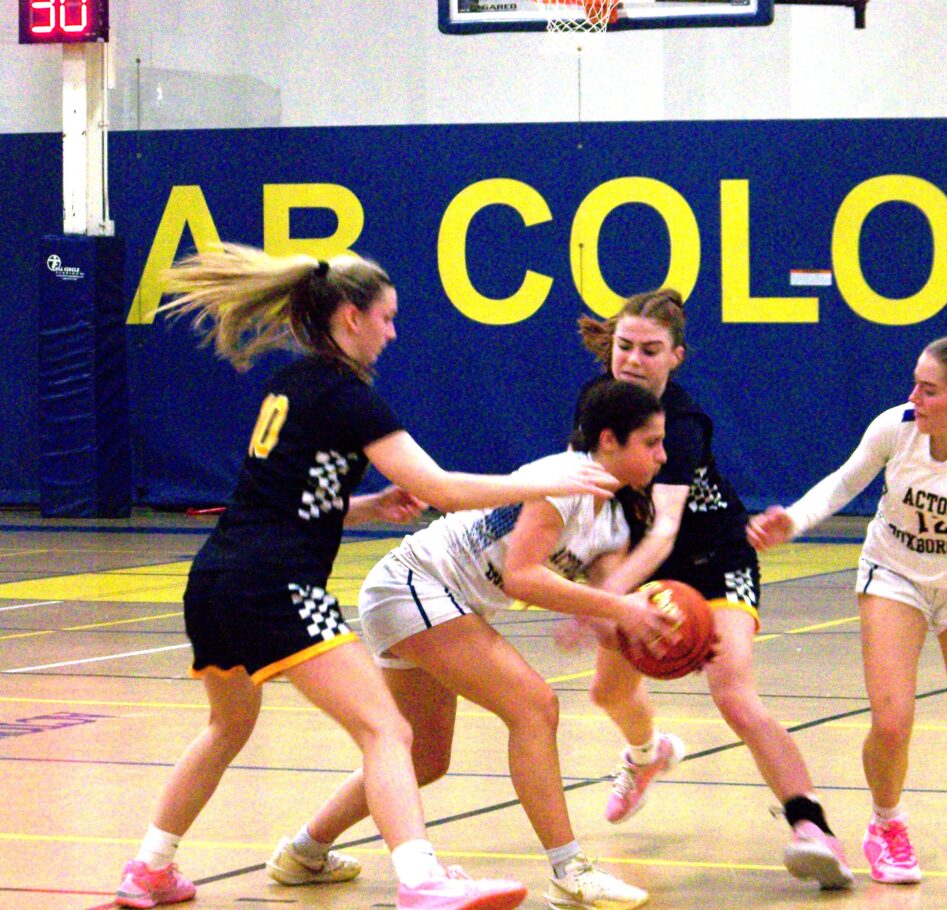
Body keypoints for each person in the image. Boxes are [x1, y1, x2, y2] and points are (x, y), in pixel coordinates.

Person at [114, 244, 623, 910]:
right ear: (351, 318)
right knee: (389, 732)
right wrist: (541, 482)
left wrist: (371, 507)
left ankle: (150, 868)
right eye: (386, 318)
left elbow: (281, 496)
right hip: (277, 586)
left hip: (213, 580)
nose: (392, 332)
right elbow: (438, 486)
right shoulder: (350, 397)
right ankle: (420, 880)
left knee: (226, 729)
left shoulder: (289, 385)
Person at [263, 378, 687, 910]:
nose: (663, 455)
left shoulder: (608, 519)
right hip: (415, 584)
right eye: (651, 442)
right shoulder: (563, 482)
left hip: (425, 596)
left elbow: (602, 606)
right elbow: (521, 577)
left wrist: (660, 635)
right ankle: (569, 871)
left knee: (423, 757)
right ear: (608, 440)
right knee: (536, 707)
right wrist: (619, 608)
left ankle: (303, 852)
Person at [570, 289, 854, 890]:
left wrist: (604, 598)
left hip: (715, 558)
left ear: (675, 356)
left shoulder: (685, 422)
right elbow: (596, 510)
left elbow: (666, 526)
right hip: (646, 563)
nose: (633, 359)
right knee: (607, 692)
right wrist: (596, 588)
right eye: (625, 346)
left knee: (732, 692)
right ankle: (647, 757)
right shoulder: (596, 404)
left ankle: (813, 827)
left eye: (651, 350)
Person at [747, 335, 947, 885]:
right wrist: (794, 521)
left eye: (928, 389)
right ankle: (886, 825)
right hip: (894, 572)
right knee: (891, 720)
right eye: (915, 383)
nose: (913, 396)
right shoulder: (895, 426)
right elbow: (845, 482)